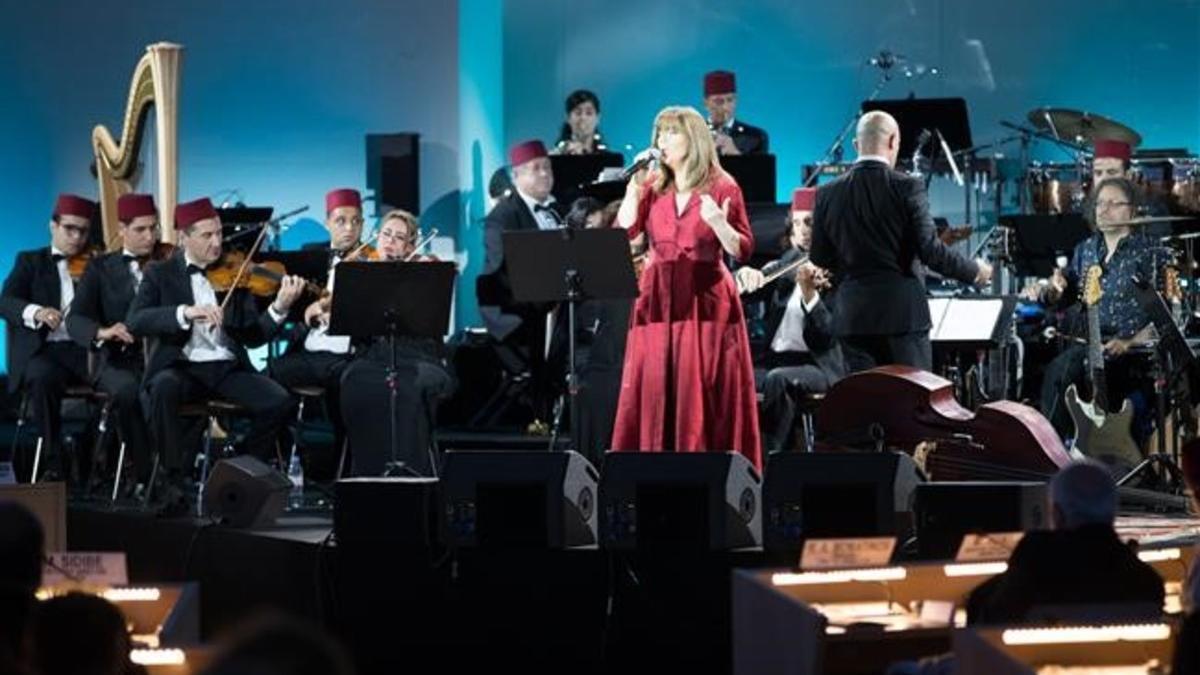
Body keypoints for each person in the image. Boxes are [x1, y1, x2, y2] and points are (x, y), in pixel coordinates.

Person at [127, 197, 305, 510]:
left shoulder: (235, 273)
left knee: (278, 400)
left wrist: (279, 308)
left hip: (226, 368)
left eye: (220, 234)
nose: (217, 242)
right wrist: (185, 312)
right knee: (164, 387)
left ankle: (242, 469)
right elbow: (137, 320)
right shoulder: (160, 273)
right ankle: (172, 478)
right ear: (184, 237)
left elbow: (254, 337)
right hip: (183, 367)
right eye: (207, 236)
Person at [611, 105, 761, 469]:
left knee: (703, 390)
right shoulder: (651, 184)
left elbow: (743, 247)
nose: (662, 140)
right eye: (659, 133)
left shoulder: (722, 185)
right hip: (657, 299)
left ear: (693, 139)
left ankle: (706, 471)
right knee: (655, 387)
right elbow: (627, 235)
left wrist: (718, 224)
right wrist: (631, 192)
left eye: (671, 132)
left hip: (705, 299)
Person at [810, 110, 991, 372]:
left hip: (852, 320)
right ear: (893, 141)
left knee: (862, 409)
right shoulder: (908, 187)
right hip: (902, 320)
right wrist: (975, 271)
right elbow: (930, 250)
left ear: (856, 145)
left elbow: (819, 257)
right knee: (909, 406)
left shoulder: (826, 193)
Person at [1036, 177, 1159, 443]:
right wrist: (1053, 289)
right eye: (1100, 203)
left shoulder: (1151, 253)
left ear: (1133, 211)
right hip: (1090, 344)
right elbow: (1063, 295)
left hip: (1131, 352)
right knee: (1057, 368)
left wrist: (1129, 342)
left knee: (1070, 368)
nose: (1104, 210)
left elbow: (1168, 317)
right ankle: (1054, 451)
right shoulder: (1085, 250)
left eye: (1114, 204)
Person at [966, 460, 1164, 624]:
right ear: (1113, 513)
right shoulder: (1148, 582)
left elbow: (992, 616)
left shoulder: (1035, 556)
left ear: (1057, 514)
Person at [337, 210, 454, 476]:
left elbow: (433, 326)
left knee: (408, 388)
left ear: (410, 246)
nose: (390, 241)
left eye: (399, 237)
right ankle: (365, 475)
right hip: (373, 357)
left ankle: (412, 475)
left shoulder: (424, 269)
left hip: (420, 356)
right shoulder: (362, 273)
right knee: (353, 380)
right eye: (386, 234)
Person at [737, 187, 845, 453]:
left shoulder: (840, 271)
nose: (803, 230)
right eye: (797, 223)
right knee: (732, 377)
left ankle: (773, 461)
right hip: (777, 362)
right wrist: (745, 274)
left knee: (778, 380)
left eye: (809, 222)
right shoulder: (786, 264)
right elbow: (754, 281)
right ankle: (739, 456)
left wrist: (810, 296)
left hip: (818, 365)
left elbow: (829, 334)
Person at [66, 193, 161, 493]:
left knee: (171, 389)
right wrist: (103, 331)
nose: (150, 236)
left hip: (160, 359)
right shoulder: (100, 268)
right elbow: (76, 319)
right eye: (141, 230)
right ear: (122, 230)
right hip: (118, 361)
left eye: (154, 228)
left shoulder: (167, 264)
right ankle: (146, 475)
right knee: (129, 392)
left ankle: (175, 467)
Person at [0, 194, 98, 481]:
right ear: (52, 226)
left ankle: (94, 457)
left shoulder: (97, 265)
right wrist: (37, 311)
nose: (77, 237)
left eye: (83, 231)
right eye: (70, 229)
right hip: (45, 350)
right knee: (42, 378)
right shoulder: (30, 261)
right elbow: (5, 302)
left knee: (122, 383)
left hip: (85, 351)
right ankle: (53, 460)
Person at [268, 188, 364, 461]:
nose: (349, 228)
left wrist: (325, 306)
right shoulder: (312, 257)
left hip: (347, 356)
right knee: (271, 379)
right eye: (341, 221)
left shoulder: (372, 261)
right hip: (310, 350)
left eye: (356, 221)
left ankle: (341, 467)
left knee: (346, 391)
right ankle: (284, 458)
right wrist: (306, 310)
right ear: (327, 223)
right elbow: (297, 312)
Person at [477, 140, 568, 423]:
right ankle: (541, 416)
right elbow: (501, 273)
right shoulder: (502, 216)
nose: (544, 174)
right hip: (515, 312)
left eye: (548, 168)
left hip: (553, 306)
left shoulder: (558, 210)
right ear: (516, 176)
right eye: (535, 169)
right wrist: (548, 300)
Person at [702, 70, 768, 156]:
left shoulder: (756, 137)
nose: (725, 107)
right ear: (706, 104)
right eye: (718, 101)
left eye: (730, 100)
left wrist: (735, 154)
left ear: (736, 100)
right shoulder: (691, 136)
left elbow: (761, 169)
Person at [553, 89, 612, 155]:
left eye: (589, 113)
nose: (583, 118)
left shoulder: (608, 158)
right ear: (568, 118)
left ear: (598, 118)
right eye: (578, 113)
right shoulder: (555, 156)